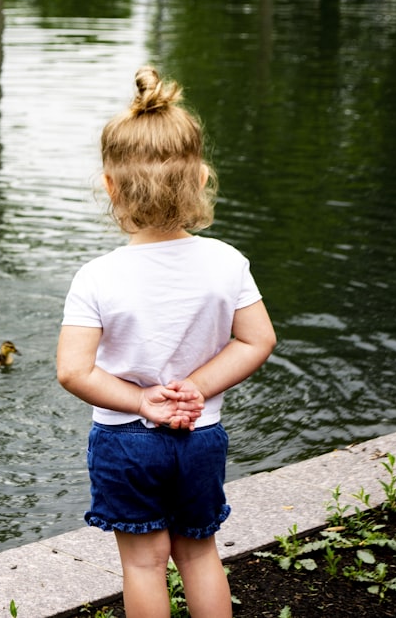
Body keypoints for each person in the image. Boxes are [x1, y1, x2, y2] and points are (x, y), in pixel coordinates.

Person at [56, 66, 276, 618]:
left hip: (126, 439)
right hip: (200, 435)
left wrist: (142, 399)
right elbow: (257, 340)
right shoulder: (227, 262)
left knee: (145, 563)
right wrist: (193, 389)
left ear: (109, 185)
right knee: (200, 555)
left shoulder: (96, 276)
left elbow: (73, 371)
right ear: (202, 179)